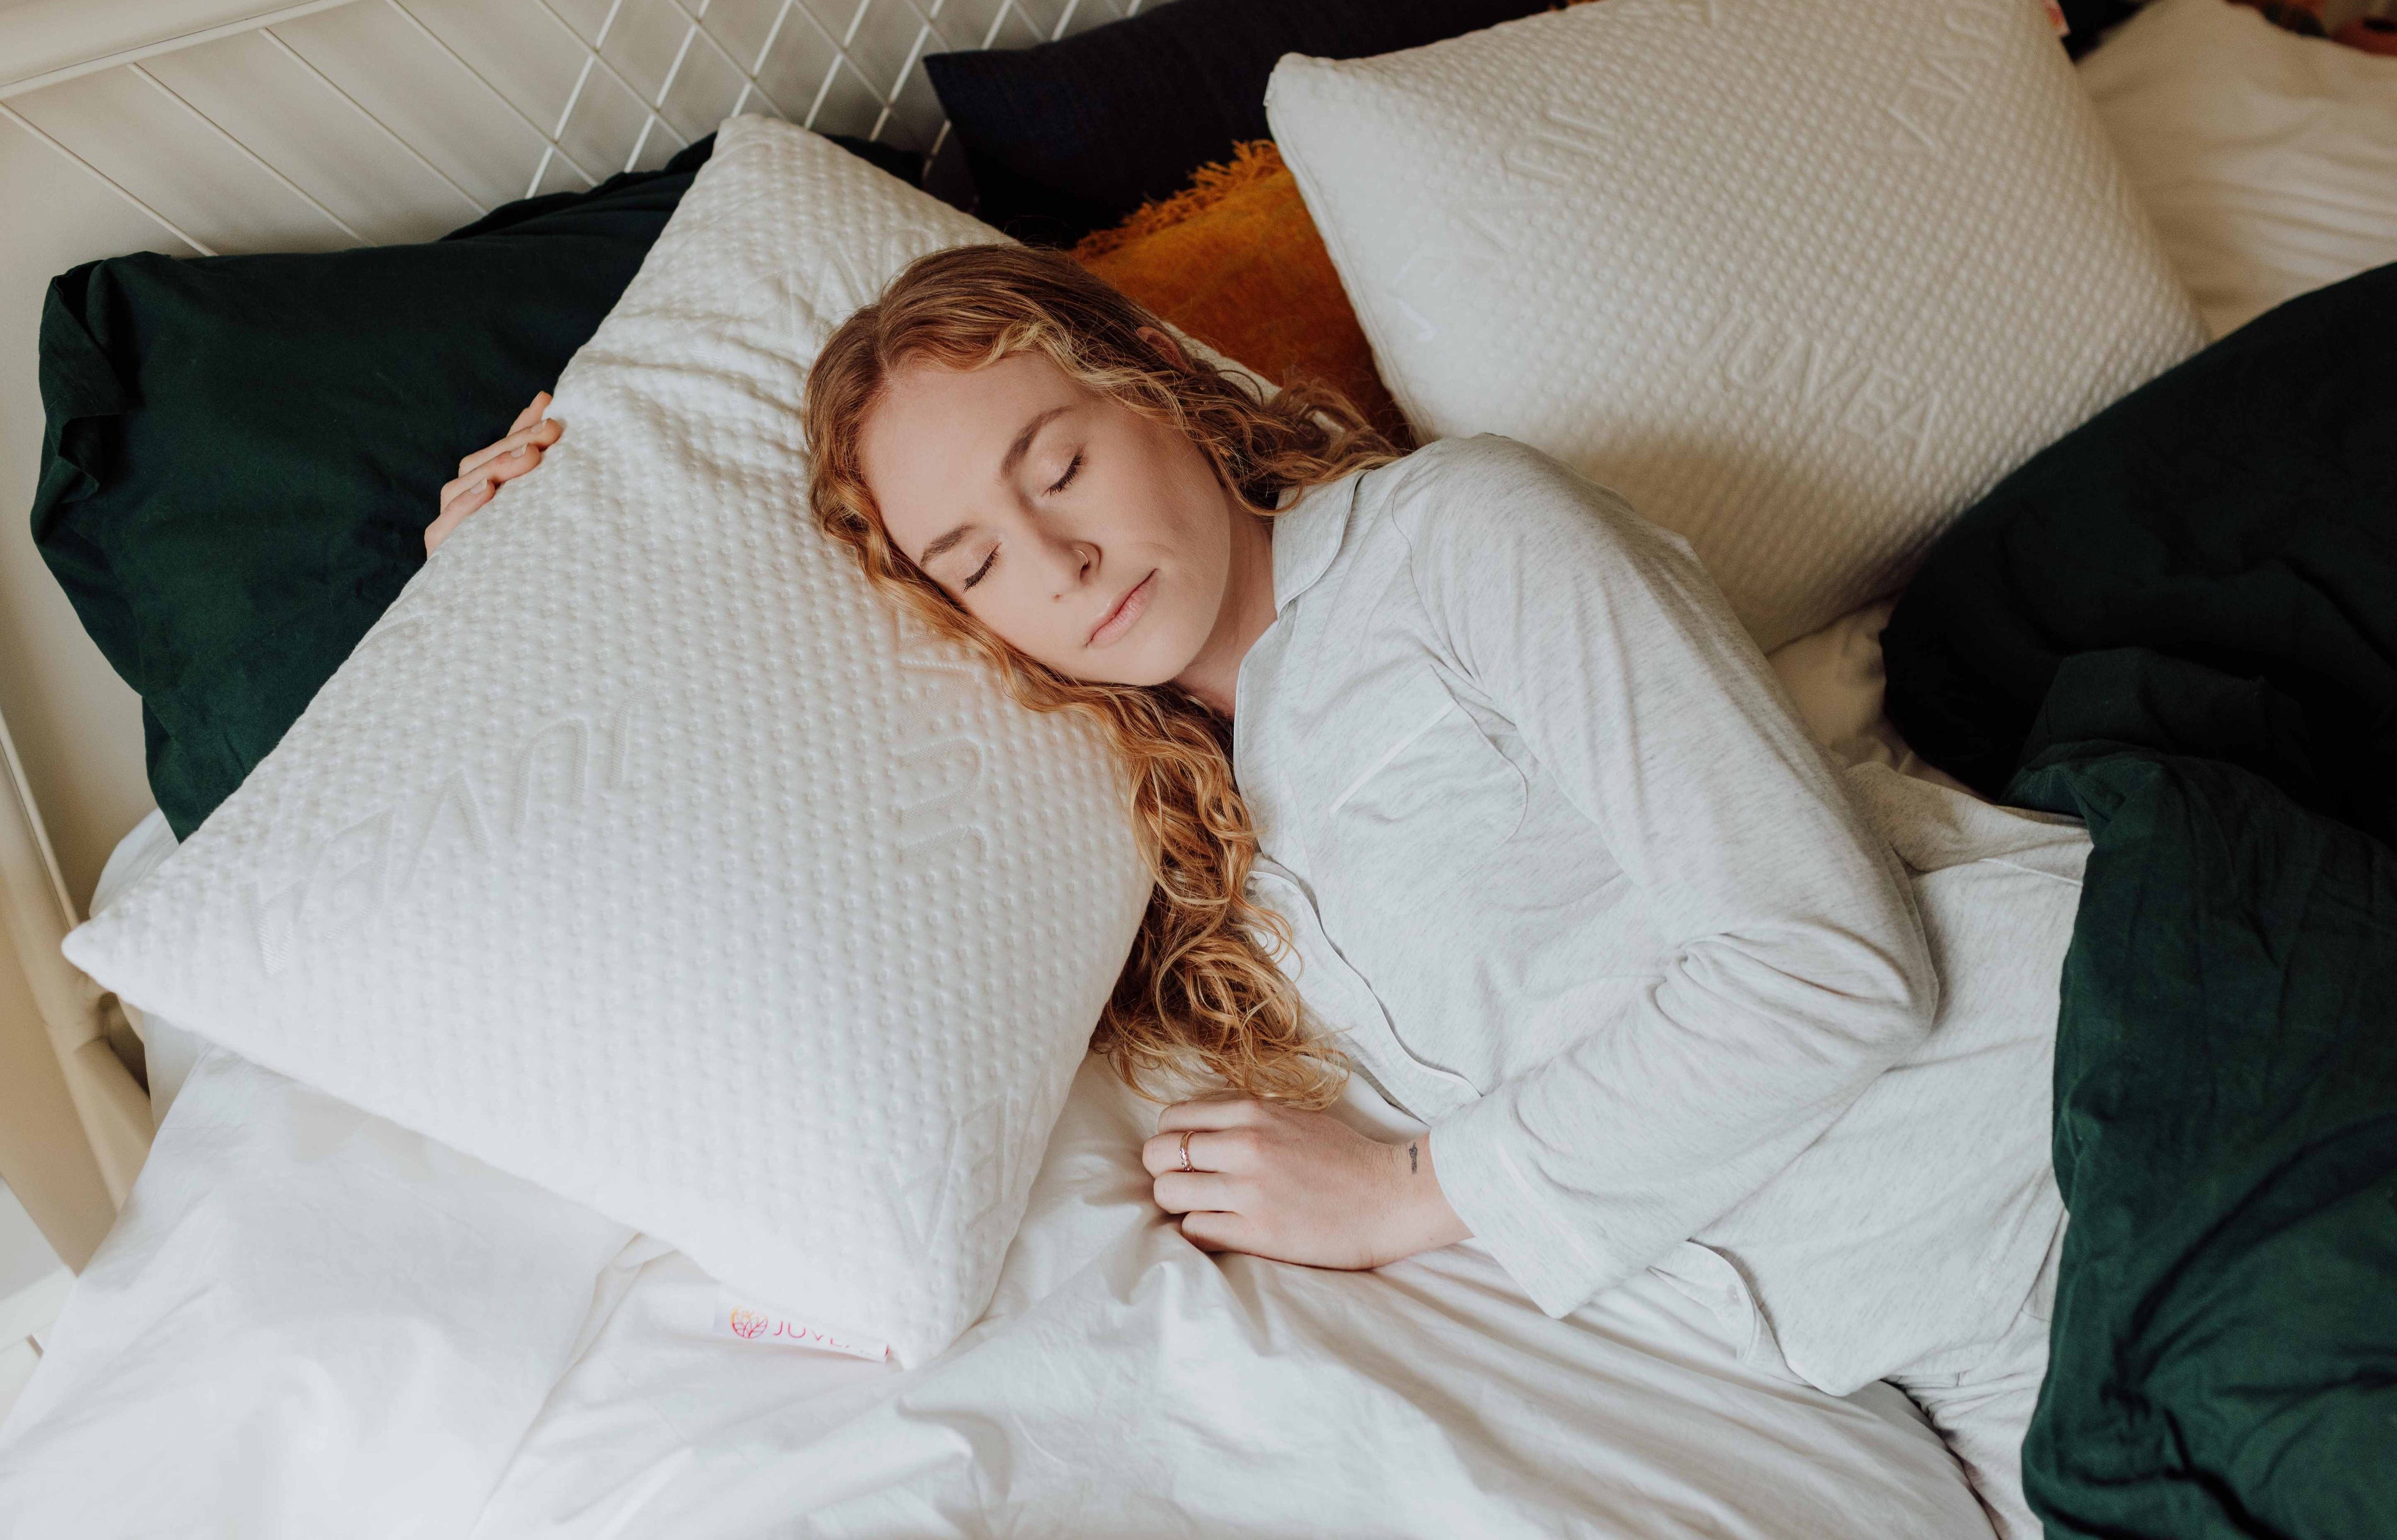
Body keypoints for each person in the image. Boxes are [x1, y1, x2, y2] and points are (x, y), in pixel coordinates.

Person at [431, 245, 2078, 1539]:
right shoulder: (1156, 858)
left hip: (2079, 1102)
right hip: (1968, 1348)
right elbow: (748, 828)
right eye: (976, 560)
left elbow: (1827, 969)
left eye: (1055, 464)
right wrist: (529, 589)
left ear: (1157, 383)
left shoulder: (1457, 541)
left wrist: (1413, 1188)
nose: (1057, 567)